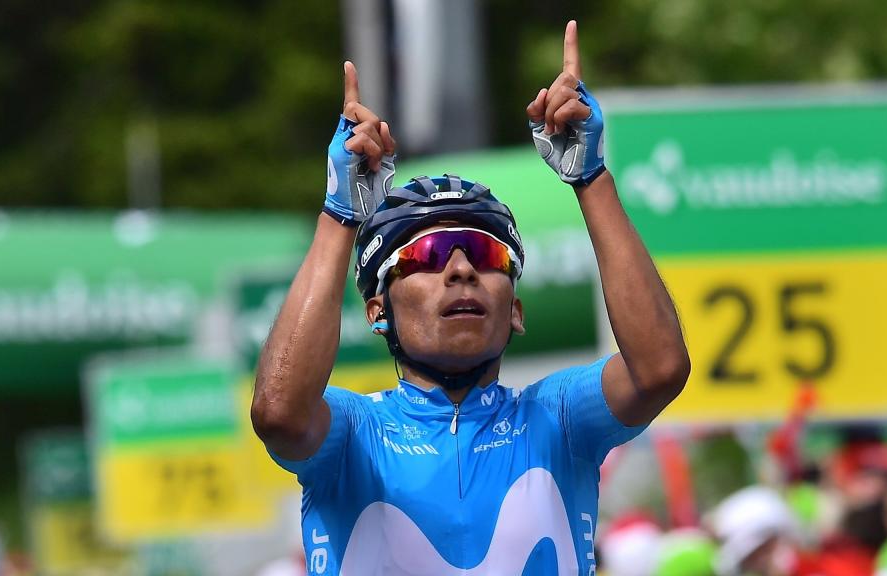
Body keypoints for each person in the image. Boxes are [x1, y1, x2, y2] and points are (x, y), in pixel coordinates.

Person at [251, 20, 690, 575]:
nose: (461, 269)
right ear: (377, 310)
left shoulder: (556, 420)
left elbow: (660, 370)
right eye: (429, 255)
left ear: (516, 311)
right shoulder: (354, 433)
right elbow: (279, 414)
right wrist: (341, 215)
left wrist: (592, 177)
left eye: (487, 256)